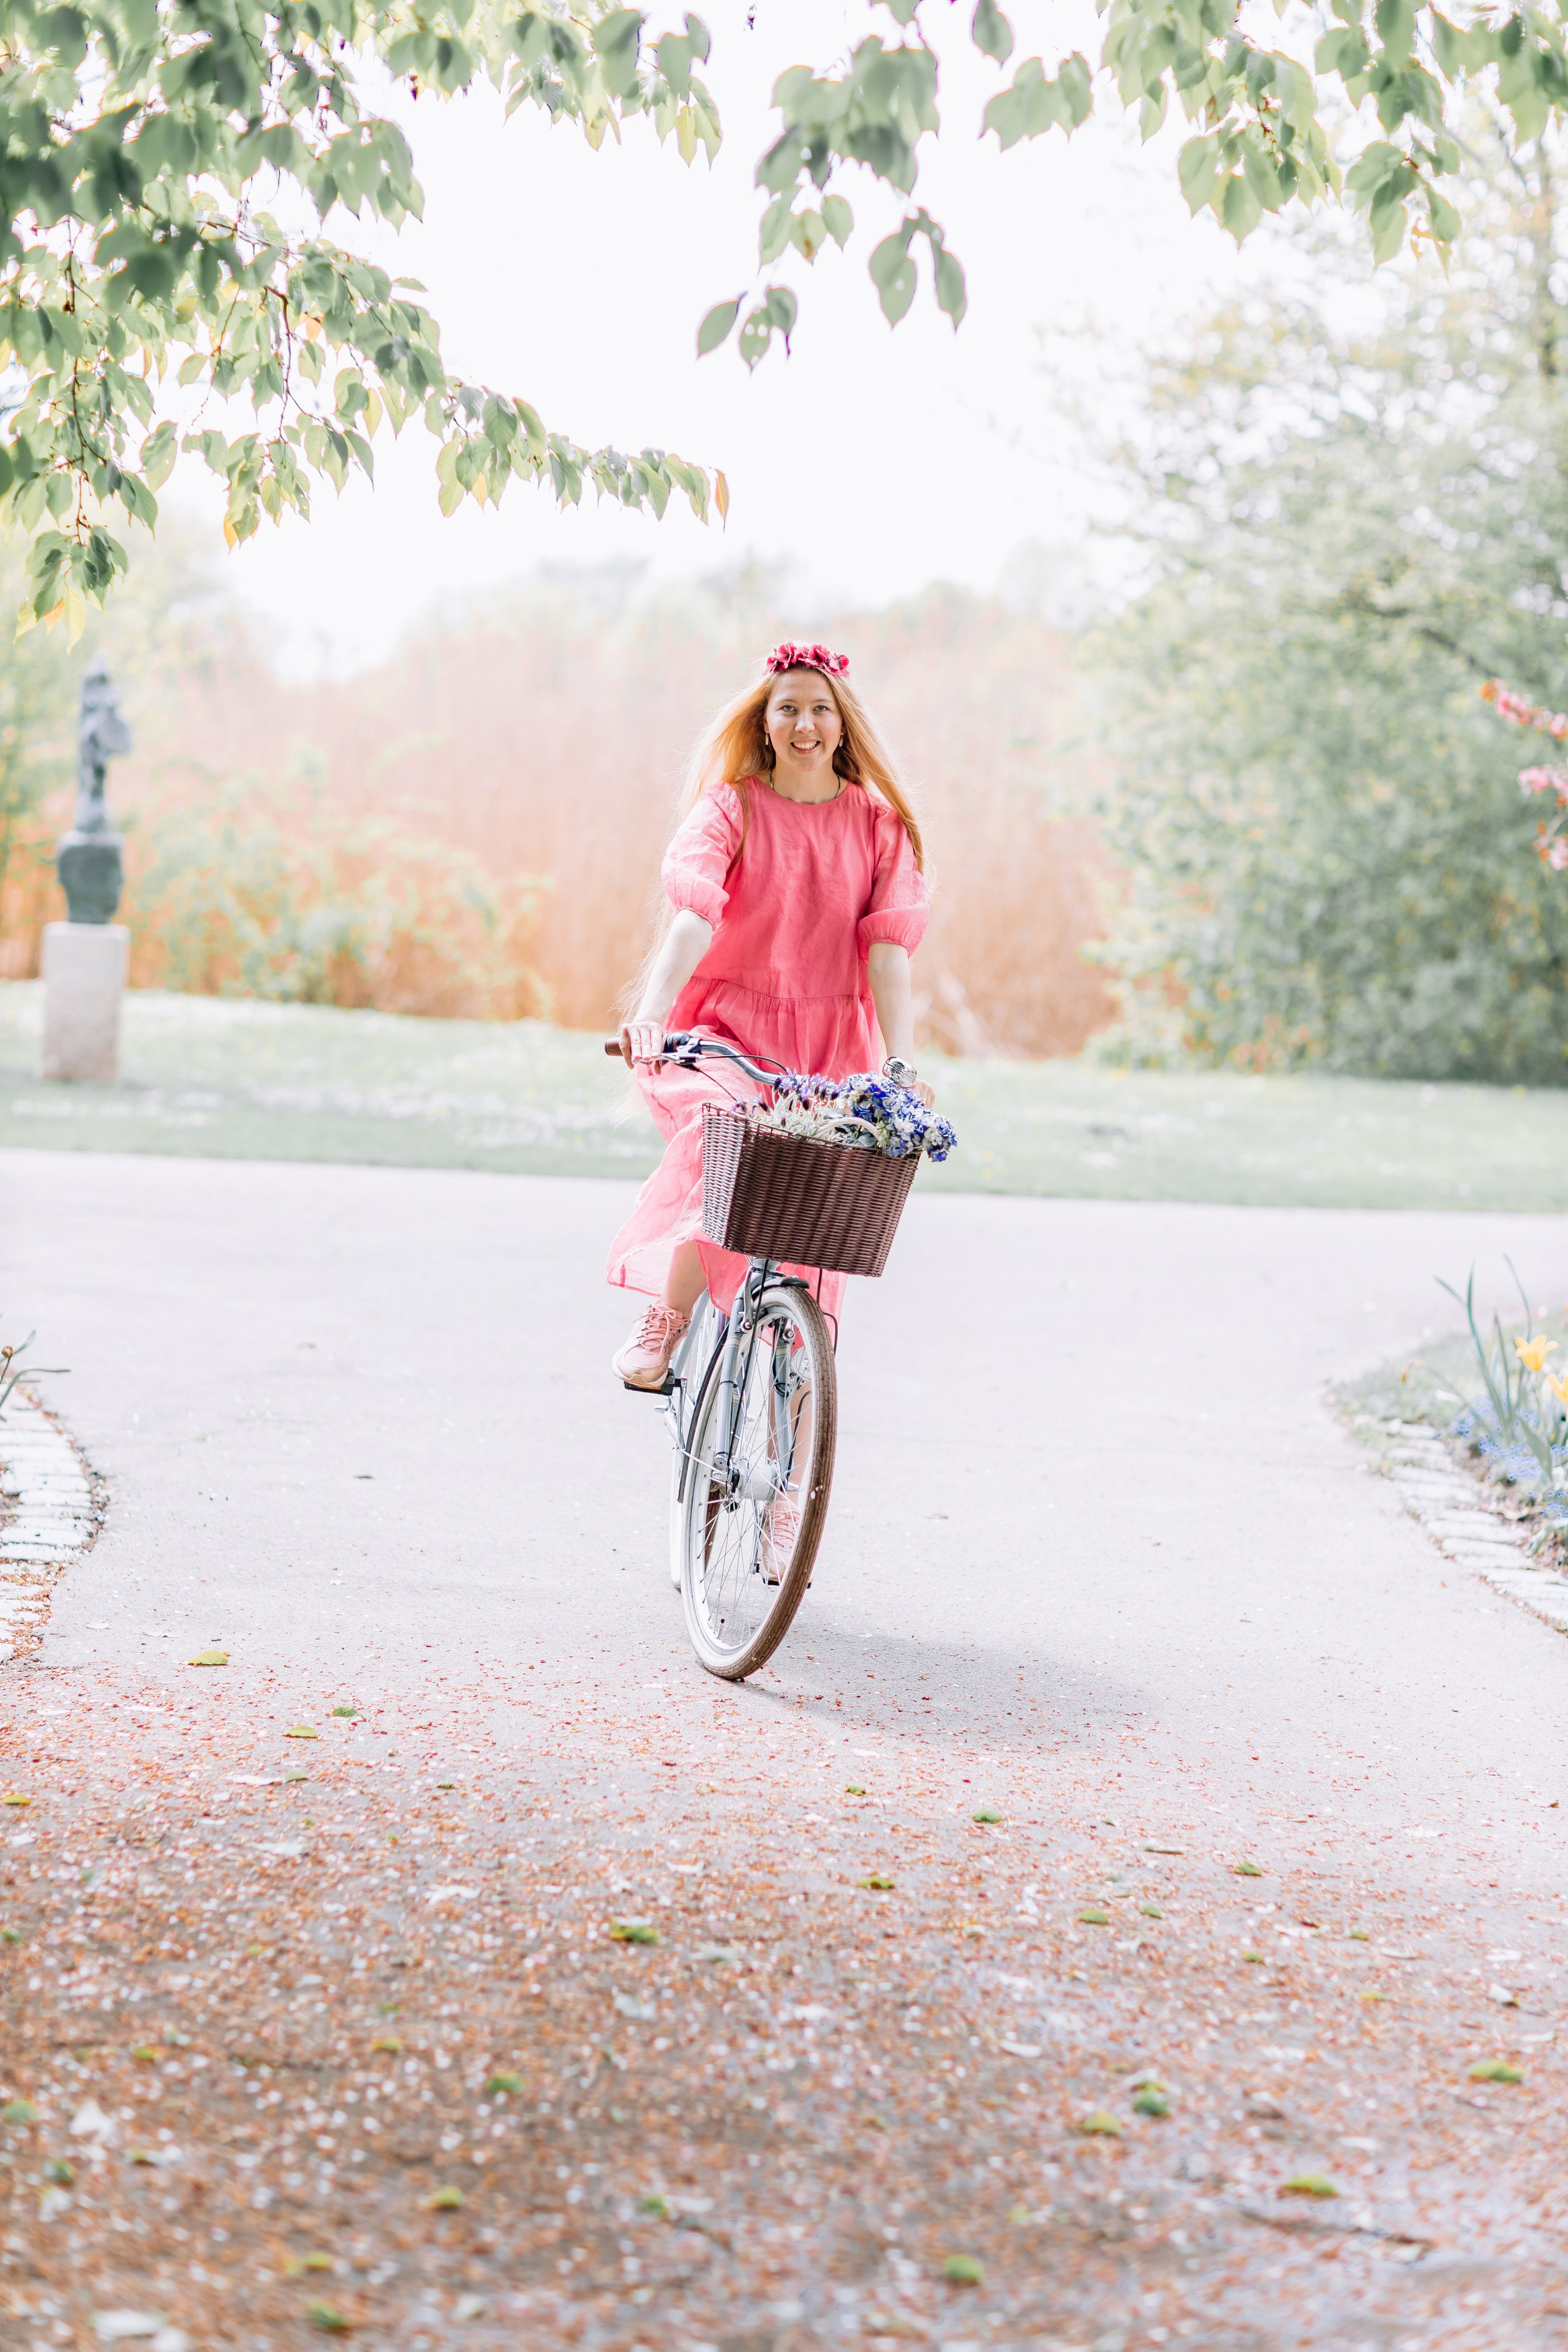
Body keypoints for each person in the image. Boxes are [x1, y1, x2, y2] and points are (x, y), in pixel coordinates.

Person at [606, 640, 935, 1389]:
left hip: (831, 1043)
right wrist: (652, 1015)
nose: (805, 724)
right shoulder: (732, 807)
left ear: (843, 727)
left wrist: (900, 1065)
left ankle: (790, 1467)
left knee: (814, 1222)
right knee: (721, 1142)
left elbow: (888, 954)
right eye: (787, 709)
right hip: (727, 1032)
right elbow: (693, 919)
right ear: (764, 724)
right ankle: (669, 1317)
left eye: (821, 709)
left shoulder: (878, 828)